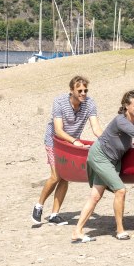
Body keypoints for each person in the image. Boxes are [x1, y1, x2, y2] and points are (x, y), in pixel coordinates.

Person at [71, 90, 134, 243]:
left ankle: (77, 231)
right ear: (126, 106)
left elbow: (126, 138)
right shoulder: (120, 120)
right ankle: (120, 230)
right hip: (100, 156)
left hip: (112, 159)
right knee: (120, 190)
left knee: (95, 196)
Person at [32, 75, 103, 226]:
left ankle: (54, 215)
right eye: (80, 90)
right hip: (54, 141)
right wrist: (75, 141)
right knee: (56, 175)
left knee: (65, 177)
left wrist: (106, 140)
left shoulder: (90, 103)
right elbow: (58, 130)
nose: (83, 93)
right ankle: (39, 206)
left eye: (85, 90)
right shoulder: (59, 101)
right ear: (72, 90)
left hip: (71, 143)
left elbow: (95, 127)